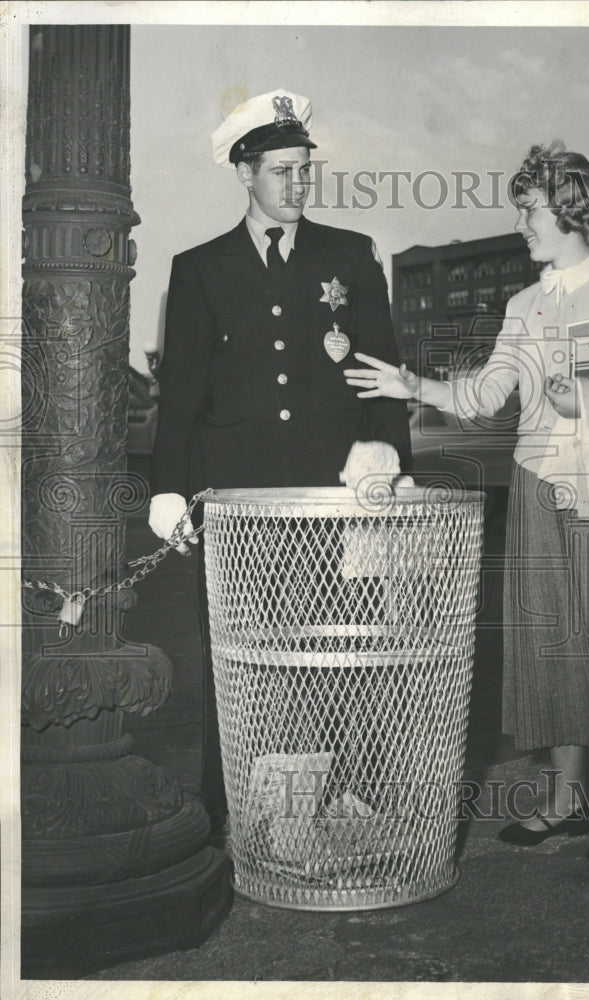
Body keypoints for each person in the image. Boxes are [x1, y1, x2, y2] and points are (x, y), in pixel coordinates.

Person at [344, 140, 589, 863]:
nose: (520, 222)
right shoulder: (524, 303)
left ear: (570, 215)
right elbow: (481, 397)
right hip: (539, 489)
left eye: (529, 209)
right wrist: (412, 387)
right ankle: (566, 803)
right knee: (553, 652)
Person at [148, 89, 412, 832]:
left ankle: (346, 799)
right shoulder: (199, 268)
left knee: (341, 651)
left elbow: (379, 366)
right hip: (238, 497)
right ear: (244, 172)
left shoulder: (349, 255)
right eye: (281, 172)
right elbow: (182, 390)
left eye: (306, 170)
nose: (298, 185)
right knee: (241, 656)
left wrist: (383, 440)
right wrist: (169, 488)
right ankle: (233, 808)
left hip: (335, 493)